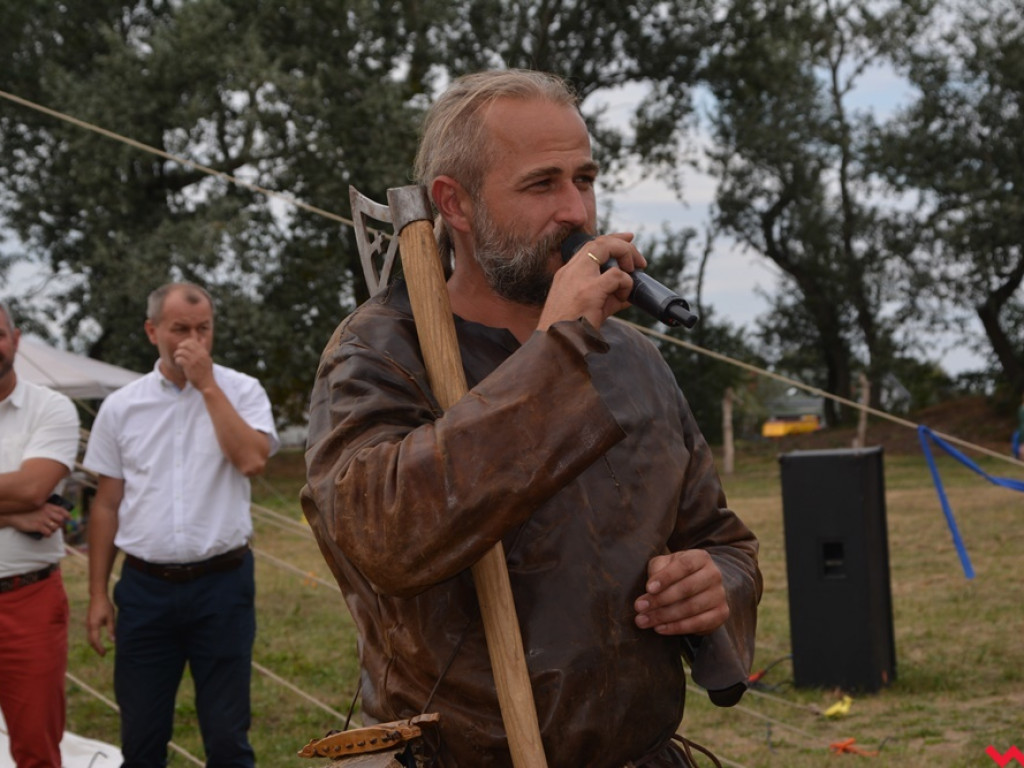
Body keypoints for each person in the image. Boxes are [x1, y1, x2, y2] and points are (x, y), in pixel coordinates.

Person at [301, 69, 762, 767]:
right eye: (542, 184)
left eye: (585, 178)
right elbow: (381, 538)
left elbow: (721, 541)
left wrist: (712, 587)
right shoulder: (380, 351)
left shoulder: (632, 358)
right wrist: (554, 356)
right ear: (454, 203)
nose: (577, 211)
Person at [84, 283, 280, 768]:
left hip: (222, 586)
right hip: (146, 590)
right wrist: (96, 594)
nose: (194, 339)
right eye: (180, 329)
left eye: (203, 328)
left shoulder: (241, 390)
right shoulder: (121, 406)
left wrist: (207, 386)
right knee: (143, 737)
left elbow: (252, 461)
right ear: (153, 332)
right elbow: (106, 505)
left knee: (227, 737)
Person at [0, 302, 80, 768]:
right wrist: (11, 516)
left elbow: (34, 487)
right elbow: (24, 496)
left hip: (25, 602)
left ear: (16, 337)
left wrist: (26, 499)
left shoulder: (50, 407)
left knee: (35, 747)